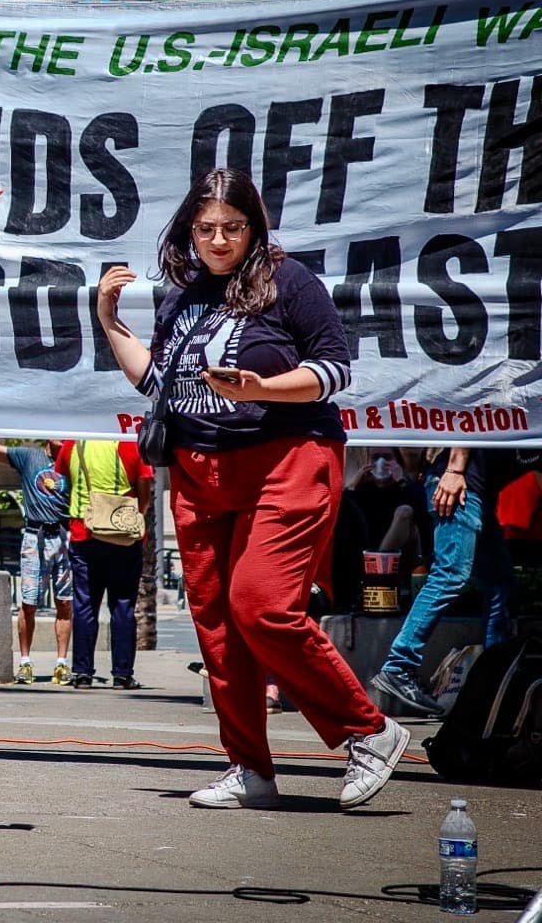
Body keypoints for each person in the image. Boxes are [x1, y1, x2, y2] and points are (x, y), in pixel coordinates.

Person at [96, 167, 407, 810]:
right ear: (188, 231)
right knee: (216, 627)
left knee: (262, 606)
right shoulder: (181, 295)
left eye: (232, 228)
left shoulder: (290, 282)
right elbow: (161, 387)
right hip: (199, 472)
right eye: (205, 229)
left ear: (254, 227)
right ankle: (250, 769)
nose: (217, 241)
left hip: (288, 458)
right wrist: (108, 320)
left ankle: (369, 731)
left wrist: (261, 388)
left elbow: (333, 369)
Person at [370, 446, 542, 716]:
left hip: (480, 497)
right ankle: (398, 666)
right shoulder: (524, 403)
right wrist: (455, 469)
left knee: (500, 584)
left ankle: (494, 680)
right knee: (450, 575)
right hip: (458, 484)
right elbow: (469, 416)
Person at [0, 438, 73, 685]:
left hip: (65, 536)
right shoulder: (30, 457)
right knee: (29, 602)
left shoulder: (74, 458)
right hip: (34, 536)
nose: (62, 436)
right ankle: (25, 662)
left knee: (65, 602)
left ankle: (61, 664)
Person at [54, 439, 152, 690]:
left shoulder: (75, 443)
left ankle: (83, 673)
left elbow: (62, 478)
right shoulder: (129, 444)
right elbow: (144, 489)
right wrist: (134, 519)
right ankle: (122, 675)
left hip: (83, 532)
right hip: (123, 536)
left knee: (85, 604)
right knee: (123, 604)